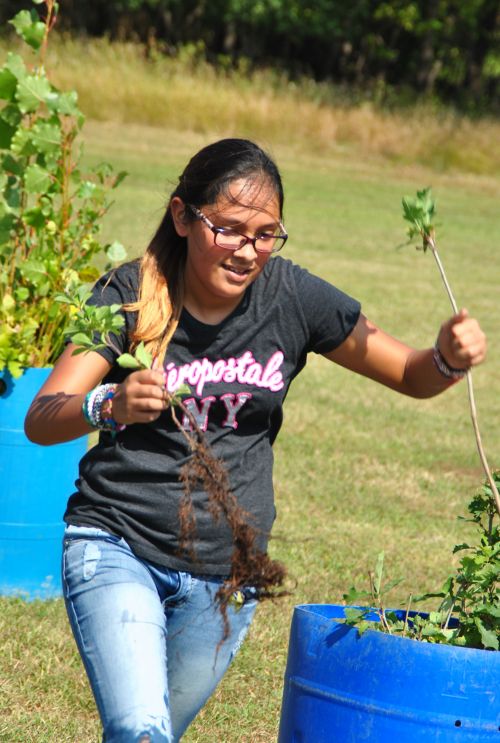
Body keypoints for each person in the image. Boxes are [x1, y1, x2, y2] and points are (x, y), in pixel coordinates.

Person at [24, 138, 486, 743]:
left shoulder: (292, 298)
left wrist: (448, 359)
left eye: (266, 234)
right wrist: (108, 404)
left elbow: (409, 373)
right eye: (230, 230)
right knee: (142, 731)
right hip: (118, 544)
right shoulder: (132, 293)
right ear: (184, 216)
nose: (248, 251)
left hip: (227, 576)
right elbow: (42, 416)